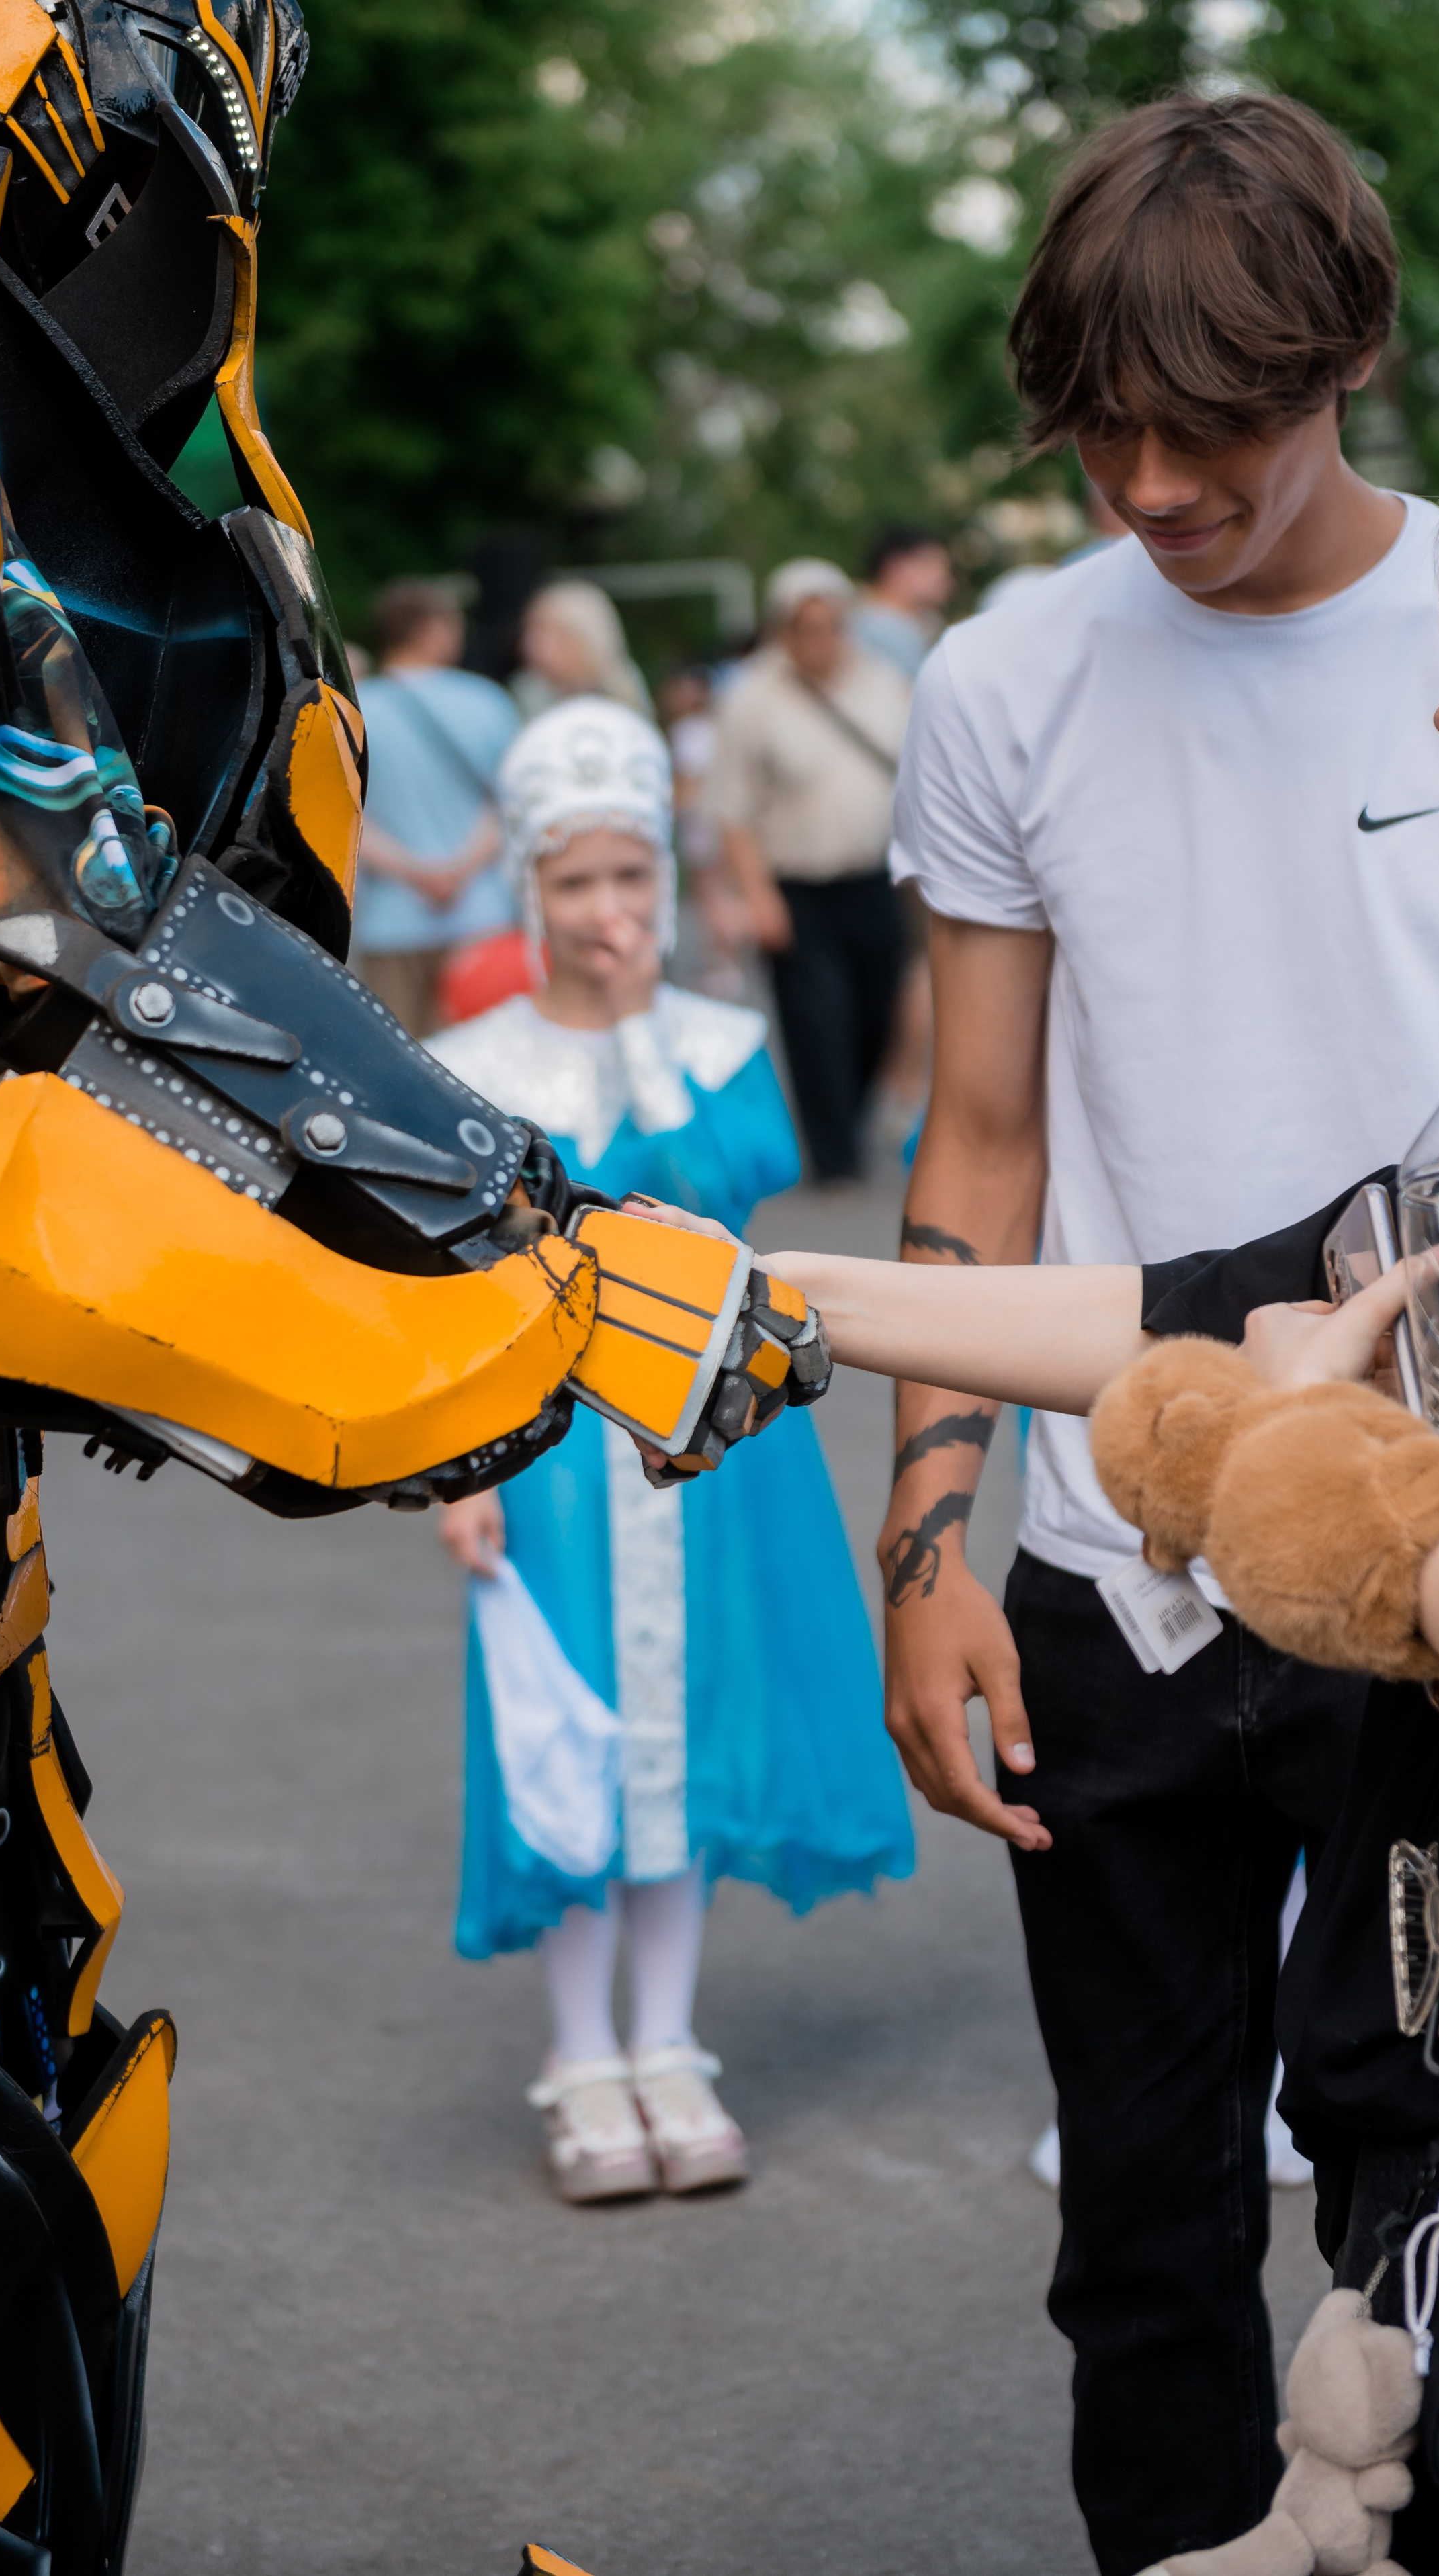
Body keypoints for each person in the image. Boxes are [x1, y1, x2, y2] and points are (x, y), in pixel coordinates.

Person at [881, 92, 1439, 2576]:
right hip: (1106, 1555)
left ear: (1340, 355)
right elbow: (975, 1144)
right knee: (1135, 2236)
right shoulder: (1001, 677)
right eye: (1096, 428)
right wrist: (926, 1542)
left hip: (1418, 1565)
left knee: (1421, 2198)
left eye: (1207, 429)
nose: (1146, 483)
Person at [428, 697, 914, 2205]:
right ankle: (583, 2053)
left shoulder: (715, 1041)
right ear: (530, 889)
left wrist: (642, 1029)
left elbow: (732, 1191)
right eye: (574, 880)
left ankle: (667, 2040)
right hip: (550, 1458)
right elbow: (453, 1288)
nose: (606, 907)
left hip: (712, 1448)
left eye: (629, 875)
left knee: (691, 1733)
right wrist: (462, 1474)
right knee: (570, 1741)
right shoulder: (471, 1062)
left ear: (665, 877)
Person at [707, 558, 912, 1182]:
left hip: (873, 878)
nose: (822, 640)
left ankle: (851, 1118)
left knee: (878, 1010)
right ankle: (833, 1155)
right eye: (807, 628)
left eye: (832, 625)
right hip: (796, 884)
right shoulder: (751, 697)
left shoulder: (883, 682)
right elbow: (732, 810)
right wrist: (756, 896)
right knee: (818, 1020)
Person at [353, 578, 519, 1035]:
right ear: (434, 630)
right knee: (489, 1053)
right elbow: (510, 806)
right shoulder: (487, 701)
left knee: (405, 1057)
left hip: (391, 919)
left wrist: (415, 873)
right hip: (481, 914)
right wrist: (458, 870)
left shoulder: (354, 710)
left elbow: (349, 818)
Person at [513, 578, 654, 718]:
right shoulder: (527, 692)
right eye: (532, 631)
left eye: (553, 634)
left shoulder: (622, 689)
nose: (532, 644)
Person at [855, 523, 955, 678]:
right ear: (894, 566)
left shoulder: (925, 621)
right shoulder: (874, 629)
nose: (941, 574)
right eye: (929, 563)